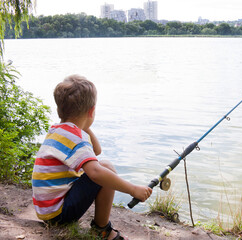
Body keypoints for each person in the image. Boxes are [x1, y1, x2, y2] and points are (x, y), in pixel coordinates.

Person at [32, 75, 152, 240]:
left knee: (102, 166)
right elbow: (95, 172)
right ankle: (102, 230)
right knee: (106, 169)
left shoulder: (58, 130)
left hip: (47, 211)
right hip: (58, 215)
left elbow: (96, 151)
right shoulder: (74, 137)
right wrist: (133, 189)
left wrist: (84, 127)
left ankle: (100, 228)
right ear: (91, 111)